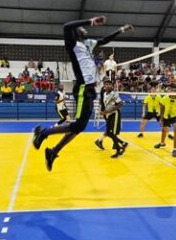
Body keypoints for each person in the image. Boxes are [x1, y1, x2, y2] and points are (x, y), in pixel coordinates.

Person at [32, 15, 133, 171]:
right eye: (82, 27)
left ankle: (53, 152)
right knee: (78, 124)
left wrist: (120, 30)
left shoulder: (88, 43)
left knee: (80, 127)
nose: (85, 29)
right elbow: (66, 26)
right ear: (77, 31)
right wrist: (91, 21)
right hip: (82, 87)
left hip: (91, 88)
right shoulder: (72, 44)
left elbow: (104, 40)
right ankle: (43, 133)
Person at [98, 79, 127, 158]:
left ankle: (119, 150)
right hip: (109, 115)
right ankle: (122, 145)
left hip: (115, 114)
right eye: (106, 84)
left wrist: (107, 111)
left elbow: (120, 104)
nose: (108, 86)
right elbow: (105, 103)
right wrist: (103, 110)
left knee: (112, 133)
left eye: (109, 84)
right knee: (109, 133)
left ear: (112, 86)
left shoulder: (114, 94)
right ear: (104, 86)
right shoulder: (104, 94)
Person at [154, 87, 176, 157]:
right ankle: (162, 143)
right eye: (172, 90)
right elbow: (162, 108)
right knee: (164, 130)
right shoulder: (165, 98)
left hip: (175, 117)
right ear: (170, 91)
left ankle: (174, 149)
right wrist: (161, 120)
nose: (173, 91)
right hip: (166, 116)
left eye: (175, 90)